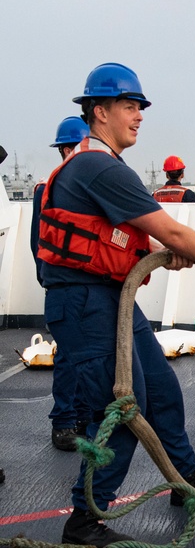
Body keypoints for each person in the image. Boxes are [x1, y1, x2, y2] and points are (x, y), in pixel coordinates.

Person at [33, 63, 195, 548]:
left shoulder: (101, 166)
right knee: (125, 412)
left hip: (111, 302)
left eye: (140, 108)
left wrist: (160, 255)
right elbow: (171, 231)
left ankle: (184, 484)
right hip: (87, 306)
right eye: (130, 107)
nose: (138, 116)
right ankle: (85, 520)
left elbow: (140, 237)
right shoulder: (97, 166)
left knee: (162, 392)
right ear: (100, 111)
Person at [34, 116, 90, 451]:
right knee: (69, 358)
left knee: (91, 358)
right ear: (68, 149)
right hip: (65, 288)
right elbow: (37, 243)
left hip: (91, 287)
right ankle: (64, 423)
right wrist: (54, 281)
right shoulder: (47, 189)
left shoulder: (86, 185)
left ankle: (82, 417)